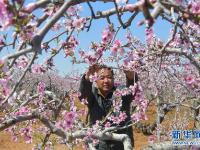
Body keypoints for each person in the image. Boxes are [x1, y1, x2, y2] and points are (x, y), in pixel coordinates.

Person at [79, 64, 138, 150]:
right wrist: (87, 78)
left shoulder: (121, 92)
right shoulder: (92, 95)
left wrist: (131, 78)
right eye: (102, 78)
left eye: (109, 77)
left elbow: (132, 91)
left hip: (121, 145)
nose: (106, 81)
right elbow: (82, 96)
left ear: (113, 79)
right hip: (98, 145)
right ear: (95, 80)